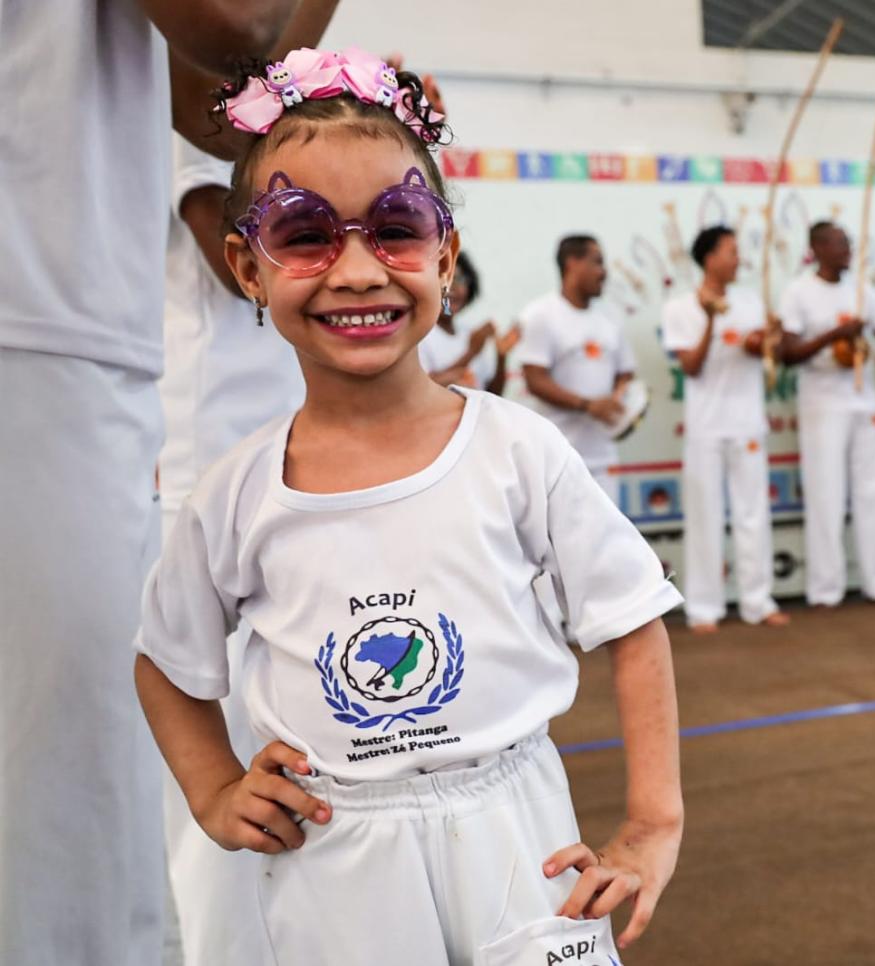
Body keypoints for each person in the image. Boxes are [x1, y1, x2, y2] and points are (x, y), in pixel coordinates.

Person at [133, 50, 683, 964]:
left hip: (520, 832)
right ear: (247, 267)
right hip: (335, 854)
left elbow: (633, 619)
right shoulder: (234, 493)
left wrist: (653, 822)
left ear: (446, 255)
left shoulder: (518, 451)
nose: (357, 271)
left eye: (396, 228)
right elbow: (167, 663)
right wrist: (215, 789)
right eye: (304, 234)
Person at [0, 3, 336, 963]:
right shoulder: (218, 174)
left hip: (58, 326)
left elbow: (215, 91)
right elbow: (234, 44)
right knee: (88, 797)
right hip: (52, 325)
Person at [158, 133, 307, 965]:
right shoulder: (202, 119)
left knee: (302, 731)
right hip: (213, 467)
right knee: (227, 760)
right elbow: (232, 257)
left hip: (300, 459)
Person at [662, 226, 789, 632]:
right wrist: (710, 321)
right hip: (705, 427)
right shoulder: (680, 307)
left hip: (747, 423)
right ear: (710, 257)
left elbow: (758, 350)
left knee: (753, 513)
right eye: (732, 252)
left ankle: (758, 601)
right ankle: (704, 608)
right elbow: (691, 366)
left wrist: (770, 337)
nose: (738, 260)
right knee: (705, 516)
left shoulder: (750, 301)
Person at [779, 222, 875, 607]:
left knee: (873, 491)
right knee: (826, 493)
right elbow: (789, 353)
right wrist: (835, 334)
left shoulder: (863, 290)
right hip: (823, 404)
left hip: (864, 401)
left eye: (848, 243)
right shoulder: (798, 292)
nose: (848, 249)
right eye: (839, 243)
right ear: (817, 247)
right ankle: (825, 590)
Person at [517, 236, 637, 502]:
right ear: (572, 264)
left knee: (608, 530)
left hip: (603, 459)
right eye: (597, 262)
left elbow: (625, 372)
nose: (604, 272)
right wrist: (588, 405)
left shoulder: (610, 316)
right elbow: (535, 380)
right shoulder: (540, 314)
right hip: (555, 459)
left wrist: (619, 397)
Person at [418, 251, 513, 394]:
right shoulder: (419, 334)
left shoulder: (470, 333)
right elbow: (419, 390)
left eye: (459, 279)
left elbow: (492, 394)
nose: (451, 287)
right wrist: (471, 352)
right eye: (443, 278)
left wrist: (501, 356)